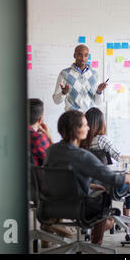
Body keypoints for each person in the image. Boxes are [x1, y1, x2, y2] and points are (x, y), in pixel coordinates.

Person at [43, 110, 130, 246]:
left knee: (99, 193)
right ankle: (96, 245)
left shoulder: (51, 151)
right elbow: (114, 180)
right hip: (80, 209)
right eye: (85, 125)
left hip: (51, 207)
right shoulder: (82, 155)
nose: (88, 128)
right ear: (76, 129)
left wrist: (88, 185)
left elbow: (55, 178)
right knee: (105, 204)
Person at [80, 107, 130, 231]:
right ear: (100, 123)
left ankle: (124, 215)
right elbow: (121, 157)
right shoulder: (102, 140)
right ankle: (129, 214)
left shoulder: (81, 141)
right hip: (109, 185)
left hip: (89, 186)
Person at [28, 98, 74, 244]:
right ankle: (52, 222)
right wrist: (49, 138)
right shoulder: (37, 138)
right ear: (41, 118)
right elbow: (55, 161)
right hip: (40, 188)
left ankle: (47, 234)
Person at [52, 44, 108, 112]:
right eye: (80, 55)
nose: (83, 58)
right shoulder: (64, 74)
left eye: (86, 55)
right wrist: (63, 93)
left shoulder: (94, 75)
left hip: (89, 118)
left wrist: (99, 92)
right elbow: (56, 101)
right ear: (74, 55)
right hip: (72, 117)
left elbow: (98, 103)